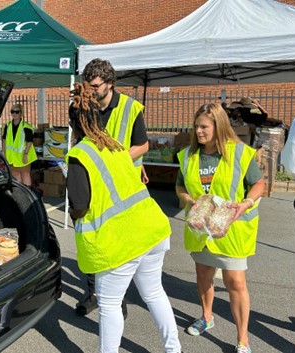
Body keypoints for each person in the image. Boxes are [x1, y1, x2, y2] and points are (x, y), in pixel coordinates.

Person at [66, 82, 182, 353]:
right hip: (152, 230)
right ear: (97, 116)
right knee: (154, 294)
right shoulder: (116, 145)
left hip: (120, 243)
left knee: (108, 305)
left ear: (75, 124)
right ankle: (174, 349)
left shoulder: (79, 155)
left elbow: (80, 206)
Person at [175, 103, 266, 353]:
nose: (198, 131)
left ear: (219, 126)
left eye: (204, 126)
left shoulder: (239, 153)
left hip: (231, 231)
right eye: (196, 126)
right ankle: (206, 317)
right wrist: (186, 199)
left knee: (235, 282)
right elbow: (180, 186)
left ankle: (242, 339)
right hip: (201, 230)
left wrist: (246, 203)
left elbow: (259, 184)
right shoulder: (188, 156)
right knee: (203, 274)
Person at [74, 58, 150, 315]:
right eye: (89, 86)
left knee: (119, 242)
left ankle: (118, 298)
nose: (91, 91)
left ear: (110, 83)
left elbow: (143, 145)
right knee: (95, 237)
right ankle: (94, 292)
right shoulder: (88, 105)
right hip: (96, 184)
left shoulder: (131, 108)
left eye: (95, 86)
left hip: (122, 184)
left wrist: (117, 161)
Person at [2, 103, 37, 186]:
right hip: (12, 157)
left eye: (16, 112)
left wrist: (25, 154)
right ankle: (20, 193)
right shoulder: (8, 125)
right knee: (15, 174)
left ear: (21, 113)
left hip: (23, 156)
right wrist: (3, 152)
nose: (14, 114)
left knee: (25, 174)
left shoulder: (26, 126)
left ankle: (28, 193)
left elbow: (29, 141)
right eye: (12, 111)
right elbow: (4, 139)